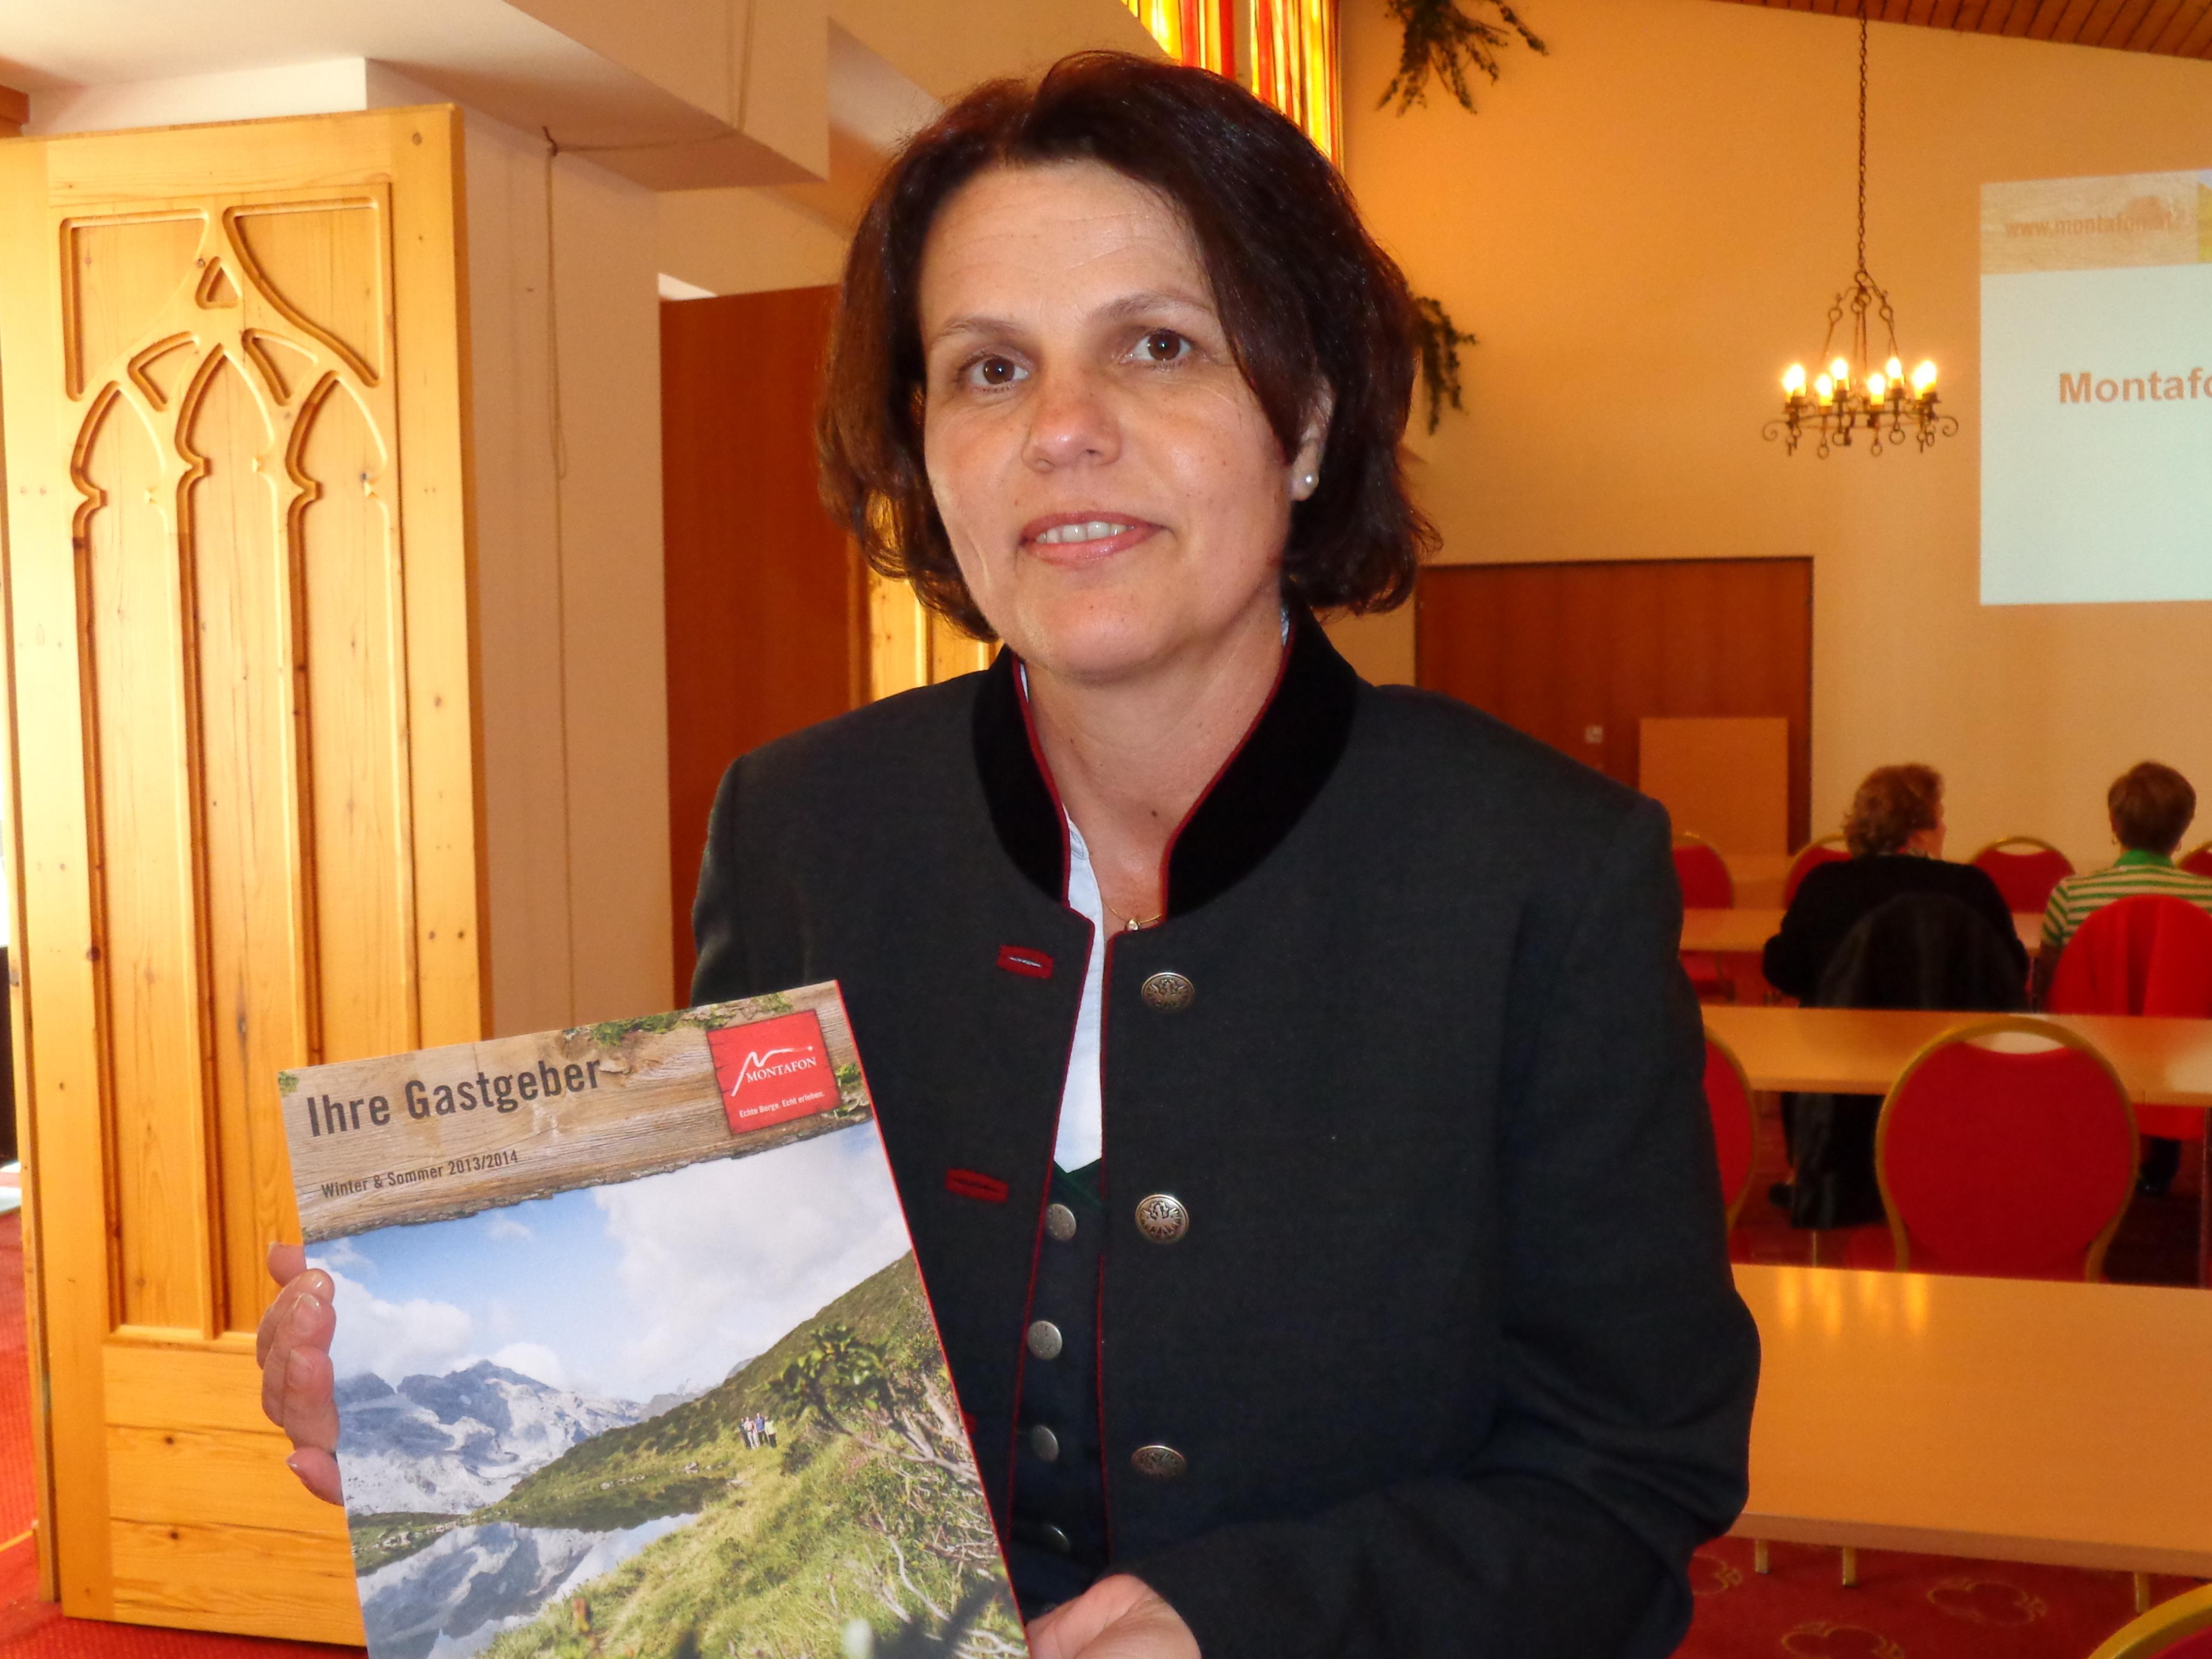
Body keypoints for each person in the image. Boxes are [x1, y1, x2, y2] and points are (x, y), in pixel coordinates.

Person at [258, 52, 1757, 1658]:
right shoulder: (803, 826)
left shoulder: (1540, 872)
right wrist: (442, 1401)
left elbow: (1622, 1484)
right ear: (925, 448)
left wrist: (1241, 1622)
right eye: (989, 369)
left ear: (1309, 418)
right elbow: (730, 1355)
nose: (1064, 430)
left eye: (1159, 345)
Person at [2036, 761, 2212, 1192]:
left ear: (2115, 824)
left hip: (2093, 1051)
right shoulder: (2208, 898)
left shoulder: (2072, 895)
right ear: (2182, 830)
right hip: (2187, 1053)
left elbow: (2049, 984)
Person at [1762, 764, 2026, 1001]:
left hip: (1841, 1036)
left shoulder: (1825, 884)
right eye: (1939, 820)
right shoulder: (1970, 886)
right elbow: (2013, 972)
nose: (1944, 829)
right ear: (1918, 834)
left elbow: (1785, 971)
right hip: (1950, 1036)